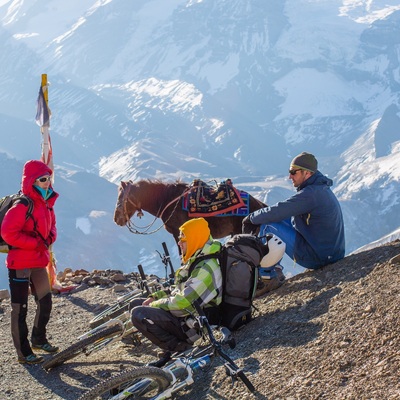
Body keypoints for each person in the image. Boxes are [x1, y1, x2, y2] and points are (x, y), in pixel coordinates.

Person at [130, 217, 222, 367]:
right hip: (188, 316)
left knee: (139, 314)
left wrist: (156, 303)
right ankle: (170, 348)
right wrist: (155, 296)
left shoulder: (205, 267)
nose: (179, 243)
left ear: (195, 238)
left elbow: (183, 304)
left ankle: (180, 349)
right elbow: (179, 289)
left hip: (194, 325)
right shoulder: (198, 258)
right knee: (136, 303)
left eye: (183, 239)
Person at [242, 152, 345, 270]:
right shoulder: (320, 189)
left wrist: (250, 218)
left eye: (293, 172)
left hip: (319, 258)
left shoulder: (311, 194)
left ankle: (266, 273)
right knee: (278, 218)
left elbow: (279, 210)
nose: (289, 177)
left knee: (267, 226)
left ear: (307, 173)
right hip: (332, 254)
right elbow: (282, 212)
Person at [1, 160, 59, 364]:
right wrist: (35, 243)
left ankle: (38, 339)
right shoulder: (22, 204)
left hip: (39, 260)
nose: (46, 182)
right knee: (20, 308)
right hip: (19, 263)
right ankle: (23, 353)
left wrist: (50, 238)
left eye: (48, 178)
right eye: (42, 179)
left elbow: (51, 228)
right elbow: (7, 233)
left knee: (45, 301)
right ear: (32, 181)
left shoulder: (46, 202)